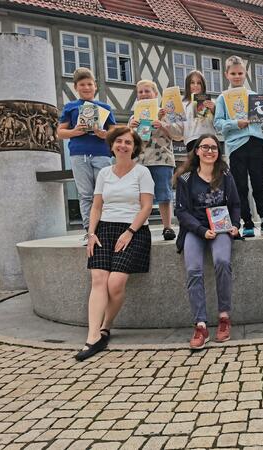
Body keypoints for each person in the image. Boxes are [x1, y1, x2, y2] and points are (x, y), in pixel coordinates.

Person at [76, 126, 154, 361]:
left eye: (128, 142)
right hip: (104, 229)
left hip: (134, 229)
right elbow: (97, 207)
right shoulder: (104, 174)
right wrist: (91, 233)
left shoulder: (142, 173)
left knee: (115, 283)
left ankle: (106, 326)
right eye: (118, 141)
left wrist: (130, 231)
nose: (123, 145)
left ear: (134, 147)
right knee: (98, 280)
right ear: (111, 146)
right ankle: (92, 337)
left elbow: (146, 207)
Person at [174, 134, 241, 350]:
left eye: (214, 148)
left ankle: (223, 317)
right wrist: (202, 231)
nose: (209, 151)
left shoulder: (225, 175)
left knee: (222, 261)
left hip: (221, 229)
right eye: (205, 147)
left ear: (218, 152)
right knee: (194, 269)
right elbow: (181, 213)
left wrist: (235, 225)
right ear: (197, 151)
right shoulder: (186, 179)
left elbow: (236, 204)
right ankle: (201, 324)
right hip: (195, 230)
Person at [214, 55, 263, 238]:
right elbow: (218, 123)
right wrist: (236, 123)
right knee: (240, 185)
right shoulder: (222, 98)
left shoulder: (254, 96)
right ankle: (247, 222)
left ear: (245, 74)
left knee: (259, 182)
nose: (237, 76)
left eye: (240, 73)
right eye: (233, 73)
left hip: (255, 141)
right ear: (226, 74)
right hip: (236, 146)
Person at [57, 67, 116, 240]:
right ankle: (89, 231)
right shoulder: (70, 107)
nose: (86, 87)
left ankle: (105, 228)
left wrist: (104, 134)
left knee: (104, 193)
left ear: (95, 86)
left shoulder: (104, 107)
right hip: (79, 154)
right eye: (82, 84)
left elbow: (114, 131)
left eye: (89, 84)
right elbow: (60, 132)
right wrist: (74, 131)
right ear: (76, 87)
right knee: (85, 193)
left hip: (102, 153)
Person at [129, 79, 183, 241]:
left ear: (155, 94)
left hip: (162, 160)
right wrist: (131, 127)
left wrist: (164, 125)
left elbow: (178, 135)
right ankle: (141, 227)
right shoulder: (134, 116)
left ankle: (167, 227)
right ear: (137, 96)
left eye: (147, 91)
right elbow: (129, 141)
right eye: (141, 92)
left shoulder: (165, 113)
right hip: (139, 161)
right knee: (140, 197)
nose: (144, 94)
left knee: (164, 195)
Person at [182, 70, 217, 153]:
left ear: (203, 85)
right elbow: (180, 127)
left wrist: (213, 110)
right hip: (191, 140)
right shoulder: (183, 104)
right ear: (188, 85)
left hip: (209, 139)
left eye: (199, 83)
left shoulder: (211, 102)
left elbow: (218, 125)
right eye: (192, 82)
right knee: (193, 165)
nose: (195, 85)